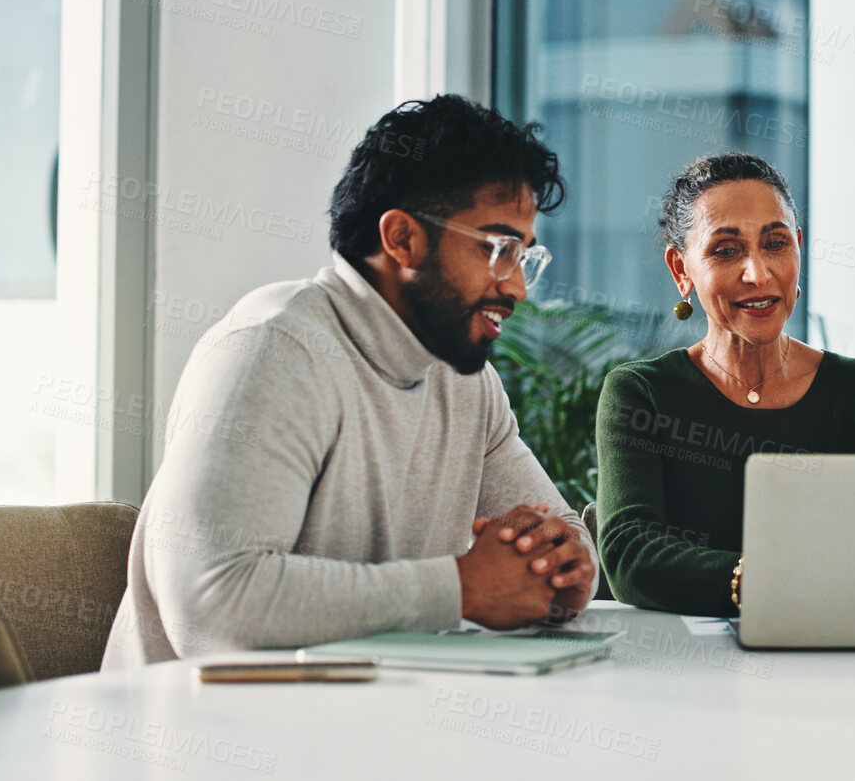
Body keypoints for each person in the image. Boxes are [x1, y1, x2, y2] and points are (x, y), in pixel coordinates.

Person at [103, 96, 596, 666]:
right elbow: (211, 604)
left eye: (525, 258)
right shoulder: (277, 347)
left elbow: (557, 528)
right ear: (403, 239)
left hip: (371, 727)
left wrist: (563, 567)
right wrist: (462, 588)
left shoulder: (464, 379)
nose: (517, 289)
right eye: (499, 250)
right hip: (203, 736)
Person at [595, 153, 855, 617]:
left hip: (841, 658)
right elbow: (631, 554)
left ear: (798, 249)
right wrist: (759, 582)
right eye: (726, 250)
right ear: (681, 270)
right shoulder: (641, 392)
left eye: (775, 243)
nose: (759, 273)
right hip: (682, 670)